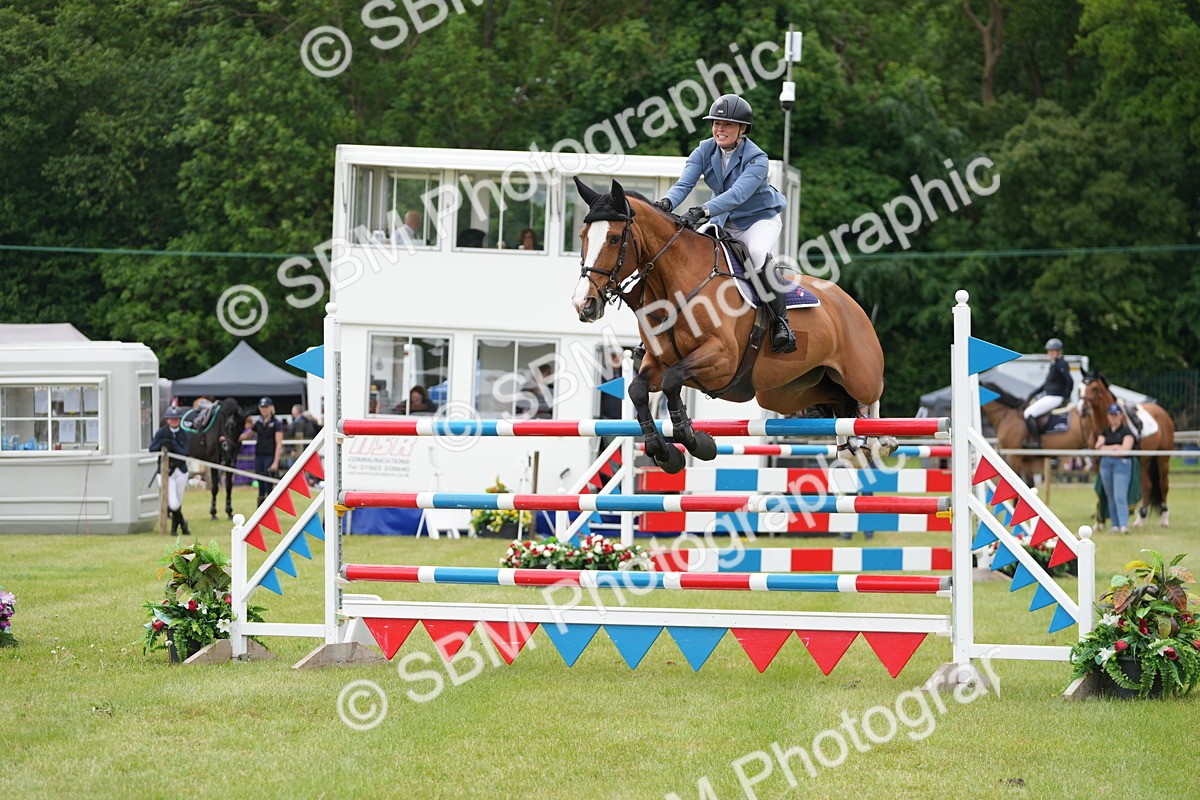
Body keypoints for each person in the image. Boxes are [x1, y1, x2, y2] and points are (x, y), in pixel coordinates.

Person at [655, 93, 796, 353]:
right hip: (724, 219)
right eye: (716, 124)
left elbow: (737, 195)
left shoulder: (757, 159)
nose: (720, 129)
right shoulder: (704, 149)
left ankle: (781, 323)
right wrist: (665, 203)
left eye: (727, 125)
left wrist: (702, 210)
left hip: (759, 219)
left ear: (742, 129)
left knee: (756, 253)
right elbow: (684, 184)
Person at [1022, 338, 1073, 447]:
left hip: (1055, 397)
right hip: (1049, 396)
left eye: (1052, 350)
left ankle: (1037, 442)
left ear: (1058, 351)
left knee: (1028, 413)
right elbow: (1046, 384)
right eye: (1049, 350)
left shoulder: (1061, 364)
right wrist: (1033, 393)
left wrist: (1066, 397)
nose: (1049, 353)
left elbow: (1070, 381)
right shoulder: (1054, 364)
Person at [149, 407, 191, 536]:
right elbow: (152, 449)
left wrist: (173, 444)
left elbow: (185, 453)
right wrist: (161, 443)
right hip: (165, 472)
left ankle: (174, 530)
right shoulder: (161, 432)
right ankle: (183, 524)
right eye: (171, 419)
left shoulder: (184, 434)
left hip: (180, 471)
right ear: (167, 420)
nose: (174, 421)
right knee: (173, 504)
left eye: (176, 419)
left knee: (178, 502)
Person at [1095, 402, 1135, 532]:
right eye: (1111, 414)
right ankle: (1115, 525)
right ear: (1108, 416)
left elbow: (1125, 450)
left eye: (1116, 415)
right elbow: (1098, 448)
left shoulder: (1126, 431)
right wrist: (1115, 447)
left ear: (1121, 416)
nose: (1113, 417)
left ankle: (1123, 524)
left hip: (1121, 465)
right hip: (1106, 465)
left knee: (1120, 495)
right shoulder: (1105, 431)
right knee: (1110, 495)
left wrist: (1107, 449)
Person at [240, 397, 284, 506]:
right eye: (262, 407)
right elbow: (246, 435)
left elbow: (279, 443)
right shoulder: (258, 423)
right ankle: (260, 508)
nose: (264, 409)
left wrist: (275, 462)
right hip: (259, 456)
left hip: (270, 456)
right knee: (260, 483)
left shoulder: (276, 423)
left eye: (266, 407)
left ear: (271, 408)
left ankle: (270, 508)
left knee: (268, 483)